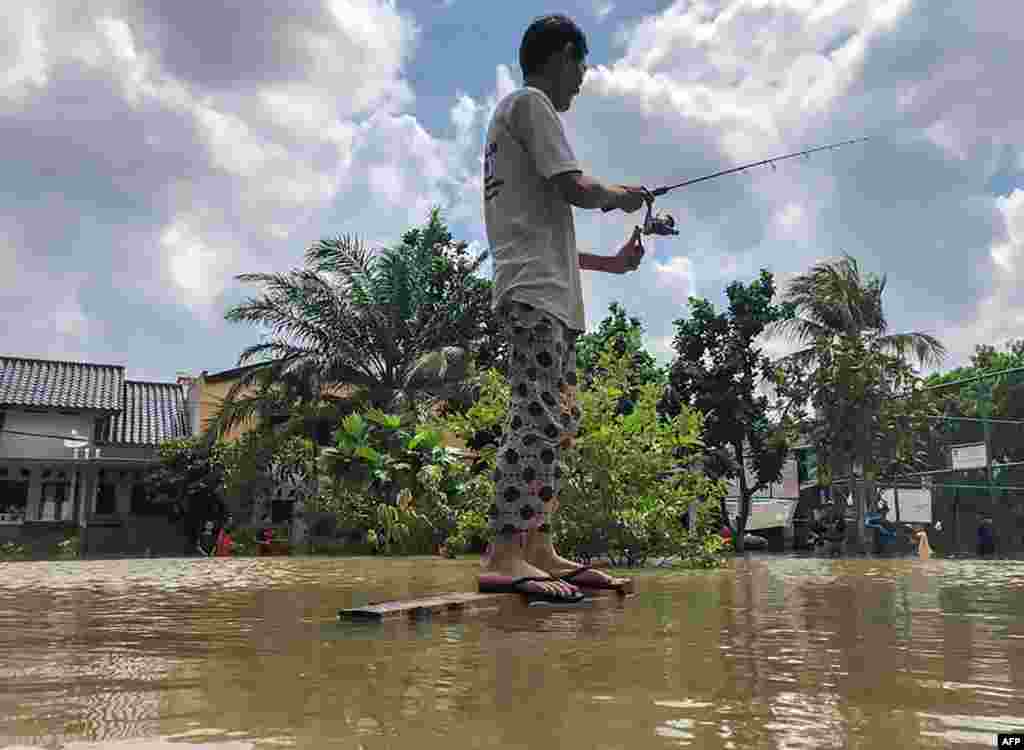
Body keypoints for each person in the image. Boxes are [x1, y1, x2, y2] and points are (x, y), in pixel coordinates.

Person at [477, 14, 649, 605]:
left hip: (545, 294)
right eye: (581, 64)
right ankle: (504, 552)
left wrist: (612, 265)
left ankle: (538, 546)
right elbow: (575, 187)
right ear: (562, 56)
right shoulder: (530, 104)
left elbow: (546, 234)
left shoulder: (515, 120)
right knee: (535, 416)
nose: (582, 78)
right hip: (535, 299)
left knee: (556, 424)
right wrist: (622, 197)